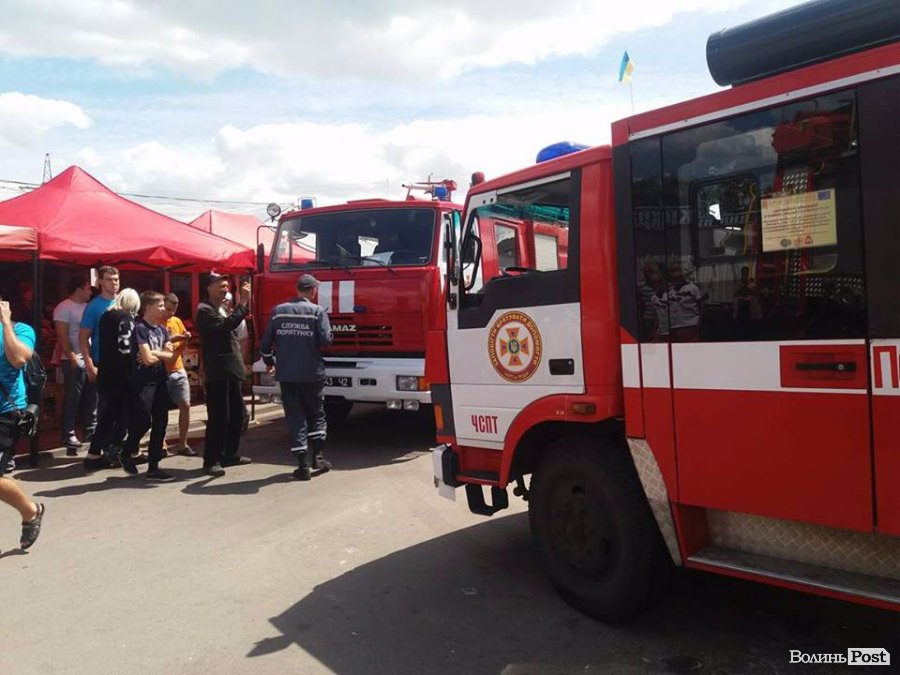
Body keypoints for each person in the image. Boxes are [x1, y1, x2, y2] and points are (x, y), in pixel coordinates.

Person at [260, 273, 333, 481]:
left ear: (297, 289)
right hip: (312, 374)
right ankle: (318, 458)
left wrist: (269, 361)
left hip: (287, 374)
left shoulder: (279, 312)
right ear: (313, 291)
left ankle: (302, 465)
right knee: (316, 414)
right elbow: (325, 340)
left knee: (295, 417)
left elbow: (265, 344)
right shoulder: (317, 312)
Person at [196, 273, 252, 476]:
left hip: (231, 369)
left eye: (227, 286)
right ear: (209, 288)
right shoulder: (204, 310)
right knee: (219, 417)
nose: (225, 289)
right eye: (220, 286)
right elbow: (226, 325)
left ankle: (230, 454)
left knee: (237, 414)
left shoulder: (222, 308)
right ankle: (211, 460)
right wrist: (243, 302)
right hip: (218, 370)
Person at [0, 299, 45, 550]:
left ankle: (30, 511)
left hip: (5, 413)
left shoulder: (21, 330)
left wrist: (5, 322)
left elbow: (18, 358)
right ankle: (30, 511)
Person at [119, 292, 175, 481]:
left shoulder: (162, 330)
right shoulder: (140, 329)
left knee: (161, 422)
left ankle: (153, 467)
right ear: (148, 308)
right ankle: (127, 451)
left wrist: (154, 353)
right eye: (160, 305)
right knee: (143, 421)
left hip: (160, 380)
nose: (163, 308)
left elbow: (170, 357)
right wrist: (158, 354)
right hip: (144, 382)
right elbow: (147, 359)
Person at [83, 288, 139, 471]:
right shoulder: (125, 318)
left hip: (106, 370)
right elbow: (125, 347)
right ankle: (117, 449)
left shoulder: (106, 316)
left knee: (109, 414)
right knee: (126, 414)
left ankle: (96, 452)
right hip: (122, 374)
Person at [79, 266, 121, 466]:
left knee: (122, 409)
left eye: (116, 279)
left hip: (123, 364)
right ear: (101, 282)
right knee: (107, 409)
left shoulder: (123, 302)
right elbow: (83, 337)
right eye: (110, 279)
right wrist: (89, 365)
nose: (114, 282)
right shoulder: (94, 306)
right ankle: (101, 451)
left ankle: (114, 448)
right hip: (102, 363)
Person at [53, 276, 96, 455]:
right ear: (80, 288)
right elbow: (62, 335)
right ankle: (68, 431)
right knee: (73, 396)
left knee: (92, 394)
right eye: (88, 288)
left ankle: (90, 427)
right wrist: (70, 355)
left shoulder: (88, 307)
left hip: (89, 357)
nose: (90, 292)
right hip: (73, 357)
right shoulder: (64, 307)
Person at [163, 293, 195, 456]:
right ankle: (161, 443)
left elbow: (184, 344)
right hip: (162, 371)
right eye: (168, 309)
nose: (171, 313)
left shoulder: (176, 321)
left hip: (178, 368)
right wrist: (174, 340)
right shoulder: (156, 322)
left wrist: (186, 338)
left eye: (174, 310)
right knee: (161, 409)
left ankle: (183, 443)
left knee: (185, 405)